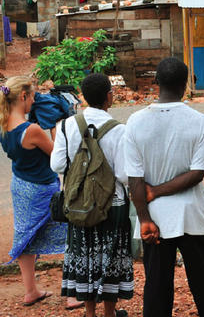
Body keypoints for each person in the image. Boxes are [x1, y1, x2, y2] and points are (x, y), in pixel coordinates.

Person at [125, 57, 204, 317]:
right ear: (186, 84)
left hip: (156, 217)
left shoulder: (135, 122)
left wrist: (145, 217)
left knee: (157, 286)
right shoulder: (199, 120)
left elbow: (134, 180)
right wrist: (157, 190)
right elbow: (197, 174)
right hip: (193, 214)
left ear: (156, 82)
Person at [51, 73, 133, 317]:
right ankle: (110, 312)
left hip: (78, 204)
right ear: (109, 96)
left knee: (85, 257)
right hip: (112, 205)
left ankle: (89, 312)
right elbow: (125, 175)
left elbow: (57, 165)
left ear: (84, 97)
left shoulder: (65, 125)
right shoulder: (119, 130)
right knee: (110, 258)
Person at [0, 76, 67, 306]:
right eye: (33, 96)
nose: (35, 101)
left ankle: (31, 291)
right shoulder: (32, 130)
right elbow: (57, 156)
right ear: (23, 96)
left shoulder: (4, 124)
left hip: (20, 185)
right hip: (42, 189)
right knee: (70, 233)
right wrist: (57, 125)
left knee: (25, 236)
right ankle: (72, 294)